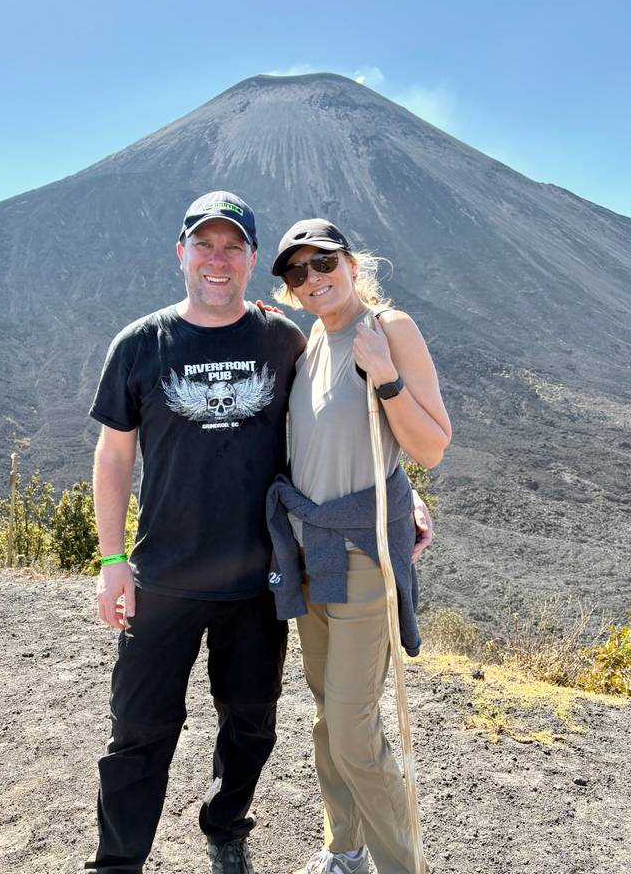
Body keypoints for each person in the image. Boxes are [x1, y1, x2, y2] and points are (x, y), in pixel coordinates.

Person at [85, 194, 433, 874]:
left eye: (232, 246)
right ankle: (116, 864)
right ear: (180, 253)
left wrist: (400, 491)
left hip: (262, 580)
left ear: (249, 260)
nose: (218, 259)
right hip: (165, 577)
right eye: (204, 245)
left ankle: (225, 821)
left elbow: (335, 424)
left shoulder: (282, 338)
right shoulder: (139, 344)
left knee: (252, 723)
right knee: (138, 731)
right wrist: (112, 558)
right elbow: (114, 454)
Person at [266, 219, 452, 874]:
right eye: (297, 272)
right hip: (309, 552)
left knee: (354, 735)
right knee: (328, 721)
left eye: (323, 263)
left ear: (350, 261)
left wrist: (385, 378)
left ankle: (403, 866)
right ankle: (344, 851)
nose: (313, 278)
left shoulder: (387, 329)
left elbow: (430, 445)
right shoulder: (310, 340)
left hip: (364, 555)